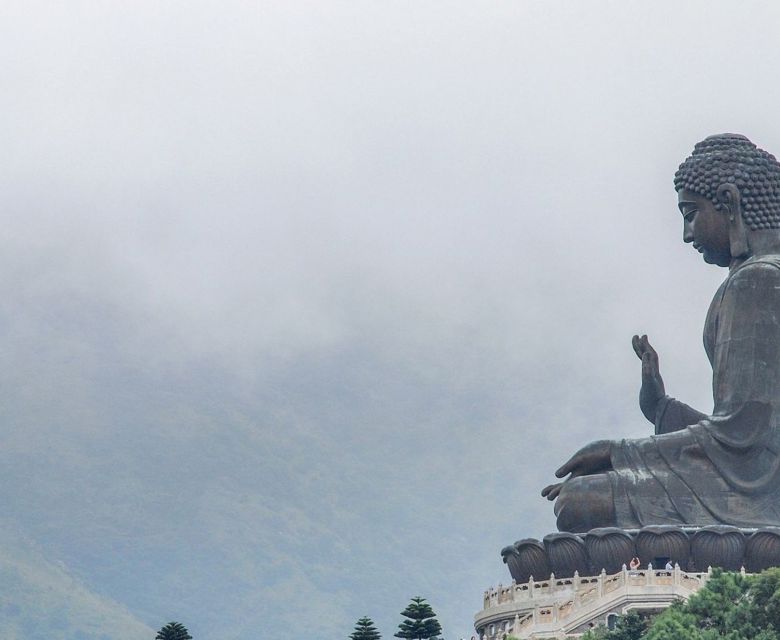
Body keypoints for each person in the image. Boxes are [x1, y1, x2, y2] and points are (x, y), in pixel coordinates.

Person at [543, 134, 780, 532]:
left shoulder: (758, 281)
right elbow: (746, 435)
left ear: (730, 201)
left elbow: (744, 441)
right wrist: (661, 407)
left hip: (763, 497)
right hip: (758, 481)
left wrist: (620, 453)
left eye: (691, 214)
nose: (687, 235)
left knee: (578, 503)